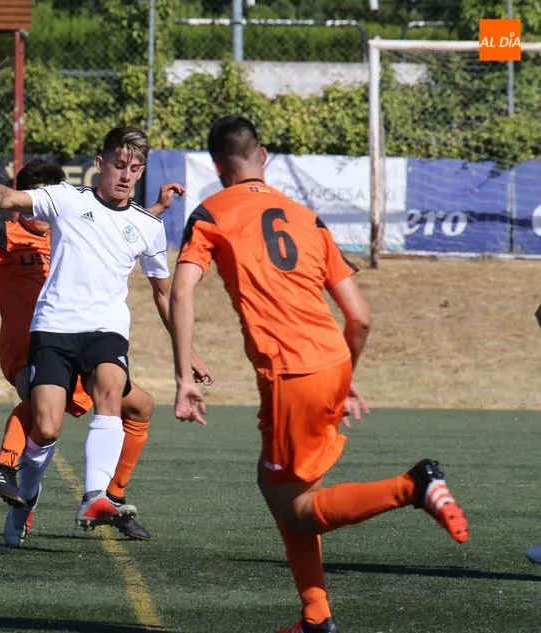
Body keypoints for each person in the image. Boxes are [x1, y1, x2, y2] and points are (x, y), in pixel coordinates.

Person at [168, 115, 469, 633]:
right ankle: (316, 616)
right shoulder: (307, 217)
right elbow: (360, 317)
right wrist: (344, 378)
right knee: (286, 487)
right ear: (263, 156)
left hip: (291, 373)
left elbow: (181, 292)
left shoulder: (211, 213)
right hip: (332, 361)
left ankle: (413, 486)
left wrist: (183, 377)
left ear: (217, 167)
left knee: (293, 507)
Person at [0, 127, 212, 539]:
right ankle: (26, 499)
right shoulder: (67, 199)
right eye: (119, 165)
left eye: (135, 169)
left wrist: (187, 351)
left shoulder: (148, 226)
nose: (126, 175)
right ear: (101, 163)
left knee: (110, 387)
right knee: (46, 427)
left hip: (106, 330)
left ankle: (96, 496)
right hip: (54, 327)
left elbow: (164, 295)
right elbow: (10, 198)